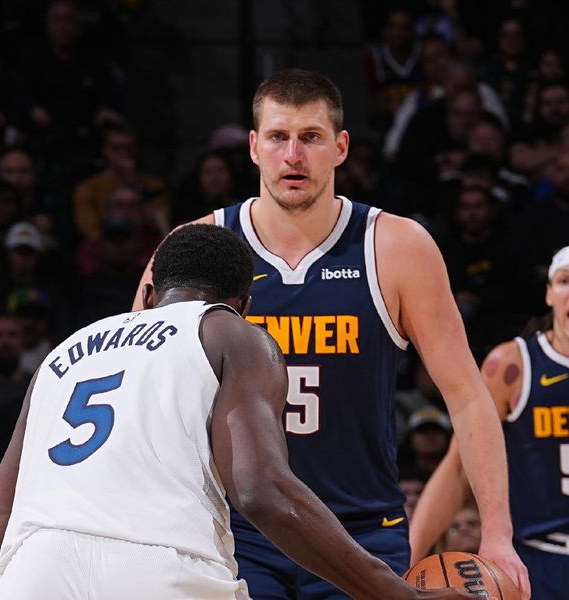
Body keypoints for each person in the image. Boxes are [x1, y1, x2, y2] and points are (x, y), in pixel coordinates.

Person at [132, 69, 529, 599]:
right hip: (234, 534)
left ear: (341, 147)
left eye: (311, 137)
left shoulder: (397, 247)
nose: (293, 155)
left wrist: (498, 534)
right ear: (253, 147)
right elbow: (136, 391)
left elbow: (468, 396)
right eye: (278, 137)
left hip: (359, 534)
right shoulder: (197, 246)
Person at [0, 224, 470, 599]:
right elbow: (259, 490)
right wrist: (394, 592)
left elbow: (2, 494)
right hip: (156, 566)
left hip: (34, 569)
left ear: (148, 294)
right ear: (242, 304)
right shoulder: (228, 332)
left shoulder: (64, 351)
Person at [410, 245, 569, 599]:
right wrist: (407, 557)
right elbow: (457, 468)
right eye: (564, 281)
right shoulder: (515, 366)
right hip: (536, 557)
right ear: (548, 293)